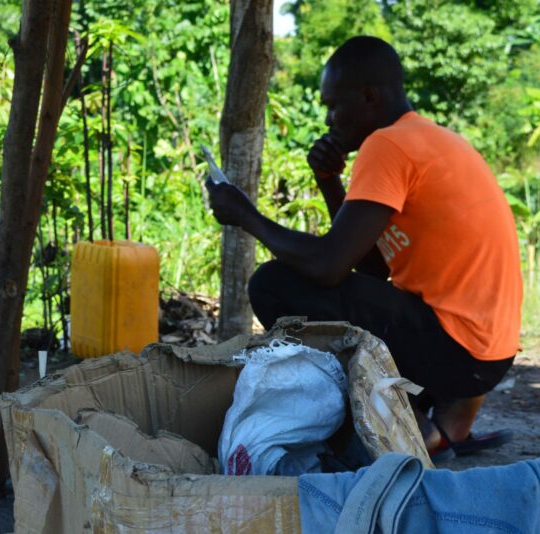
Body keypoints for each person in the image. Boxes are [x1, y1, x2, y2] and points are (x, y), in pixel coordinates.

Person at [204, 36, 522, 461]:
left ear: (369, 96)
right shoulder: (424, 137)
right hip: (486, 354)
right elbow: (371, 267)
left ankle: (408, 422)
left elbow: (329, 267)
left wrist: (247, 215)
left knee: (273, 284)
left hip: (458, 350)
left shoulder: (386, 145)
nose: (329, 119)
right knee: (311, 289)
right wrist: (329, 180)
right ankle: (438, 414)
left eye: (333, 105)